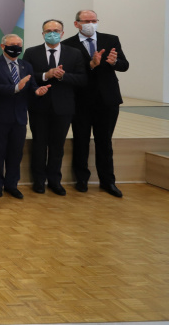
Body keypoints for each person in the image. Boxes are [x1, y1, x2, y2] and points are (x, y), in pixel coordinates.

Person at [62, 10, 129, 197]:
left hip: (107, 99)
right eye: (86, 21)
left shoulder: (111, 39)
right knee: (81, 140)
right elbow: (69, 72)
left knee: (104, 142)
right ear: (77, 24)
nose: (91, 23)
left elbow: (124, 65)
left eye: (94, 20)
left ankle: (108, 181)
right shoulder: (68, 44)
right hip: (81, 100)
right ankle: (81, 179)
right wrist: (91, 65)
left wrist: (115, 62)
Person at [23, 19, 87, 196]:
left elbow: (82, 79)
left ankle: (55, 180)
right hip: (39, 106)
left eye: (56, 30)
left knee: (57, 146)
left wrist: (62, 76)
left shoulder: (74, 53)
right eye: (48, 31)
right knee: (39, 144)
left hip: (64, 106)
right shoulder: (31, 52)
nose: (52, 33)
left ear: (63, 33)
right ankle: (39, 181)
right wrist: (46, 75)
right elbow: (26, 76)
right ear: (43, 34)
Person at [0, 34, 49, 199]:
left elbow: (32, 85)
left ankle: (11, 185)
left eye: (19, 45)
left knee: (15, 153)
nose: (16, 48)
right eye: (12, 45)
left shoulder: (26, 65)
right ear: (2, 46)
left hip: (19, 116)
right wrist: (15, 88)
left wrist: (37, 91)